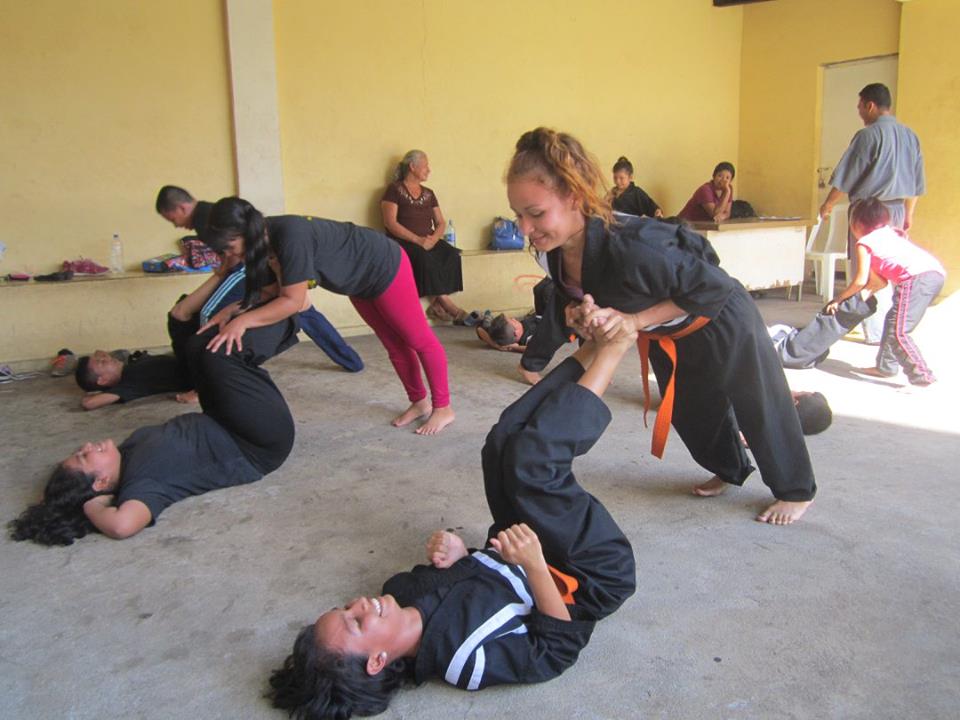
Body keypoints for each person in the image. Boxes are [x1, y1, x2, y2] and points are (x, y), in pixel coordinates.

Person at [268, 334, 637, 718]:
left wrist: (463, 555)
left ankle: (590, 348)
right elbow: (555, 651)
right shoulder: (463, 660)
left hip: (519, 546)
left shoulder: (402, 588)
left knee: (499, 446)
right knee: (533, 466)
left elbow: (475, 580)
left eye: (346, 608)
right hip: (592, 574)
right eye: (357, 621)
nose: (361, 604)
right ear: (376, 661)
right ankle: (613, 350)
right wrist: (535, 566)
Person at [507, 127, 816, 525]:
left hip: (721, 316)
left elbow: (715, 284)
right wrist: (578, 315)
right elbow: (574, 297)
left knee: (759, 399)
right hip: (668, 331)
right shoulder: (551, 251)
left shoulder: (635, 245)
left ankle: (796, 490)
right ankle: (730, 468)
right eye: (518, 214)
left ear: (574, 197)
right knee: (692, 411)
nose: (524, 229)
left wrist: (633, 320)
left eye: (535, 214)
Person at [9, 319, 297, 545]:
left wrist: (61, 499)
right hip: (255, 444)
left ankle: (283, 314)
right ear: (101, 483)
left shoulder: (126, 455)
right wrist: (92, 506)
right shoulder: (142, 484)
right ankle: (291, 313)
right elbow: (122, 526)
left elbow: (67, 490)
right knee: (220, 356)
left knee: (197, 346)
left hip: (224, 419)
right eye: (84, 458)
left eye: (78, 452)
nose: (85, 446)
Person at [201, 197, 455, 435]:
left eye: (230, 248)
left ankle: (443, 408)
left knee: (418, 339)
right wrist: (233, 310)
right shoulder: (259, 245)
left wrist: (243, 321)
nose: (230, 256)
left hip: (383, 265)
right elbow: (269, 292)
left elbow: (293, 302)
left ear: (244, 233)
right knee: (394, 345)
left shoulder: (290, 234)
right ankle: (419, 402)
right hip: (357, 282)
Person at [156, 185, 363, 373]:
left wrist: (242, 311)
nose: (175, 225)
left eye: (171, 218)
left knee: (212, 312)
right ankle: (351, 360)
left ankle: (203, 378)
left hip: (245, 271)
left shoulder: (210, 220)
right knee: (301, 307)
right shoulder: (215, 216)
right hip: (259, 269)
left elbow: (232, 262)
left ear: (181, 208)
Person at [817, 83, 926, 343]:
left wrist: (828, 204)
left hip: (870, 213)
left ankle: (874, 331)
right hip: (898, 210)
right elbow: (917, 183)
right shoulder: (911, 136)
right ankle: (891, 329)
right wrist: (908, 215)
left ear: (870, 105)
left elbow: (846, 176)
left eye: (859, 106)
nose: (859, 112)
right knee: (892, 270)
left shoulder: (867, 136)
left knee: (867, 272)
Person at [826, 198, 945, 386]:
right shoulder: (889, 234)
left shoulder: (865, 243)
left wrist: (838, 299)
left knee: (899, 332)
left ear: (856, 224)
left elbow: (859, 280)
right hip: (933, 274)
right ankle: (886, 367)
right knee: (893, 321)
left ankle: (922, 376)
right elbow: (878, 282)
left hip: (916, 279)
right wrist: (864, 294)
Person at [380, 150, 466, 323]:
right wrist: (418, 240)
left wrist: (433, 239)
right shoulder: (394, 189)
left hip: (427, 240)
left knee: (451, 253)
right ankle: (447, 304)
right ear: (412, 166)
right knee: (422, 256)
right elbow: (390, 223)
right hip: (403, 241)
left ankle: (435, 303)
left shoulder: (429, 193)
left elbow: (441, 222)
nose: (429, 170)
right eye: (425, 165)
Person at [767, 293, 878, 370]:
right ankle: (861, 299)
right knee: (829, 325)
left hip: (785, 351)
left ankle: (861, 299)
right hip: (781, 350)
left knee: (828, 327)